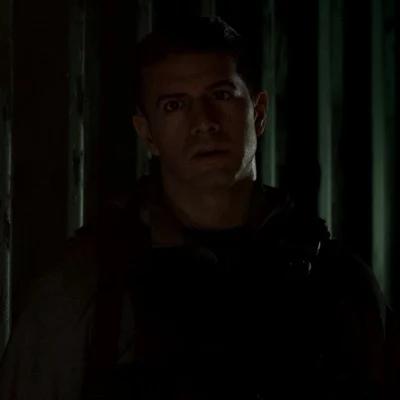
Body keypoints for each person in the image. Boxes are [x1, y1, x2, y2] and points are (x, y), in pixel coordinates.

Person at [0, 15, 399, 400]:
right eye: (175, 105)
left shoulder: (336, 279)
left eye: (221, 95)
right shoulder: (86, 289)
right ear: (147, 133)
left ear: (258, 113)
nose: (204, 122)